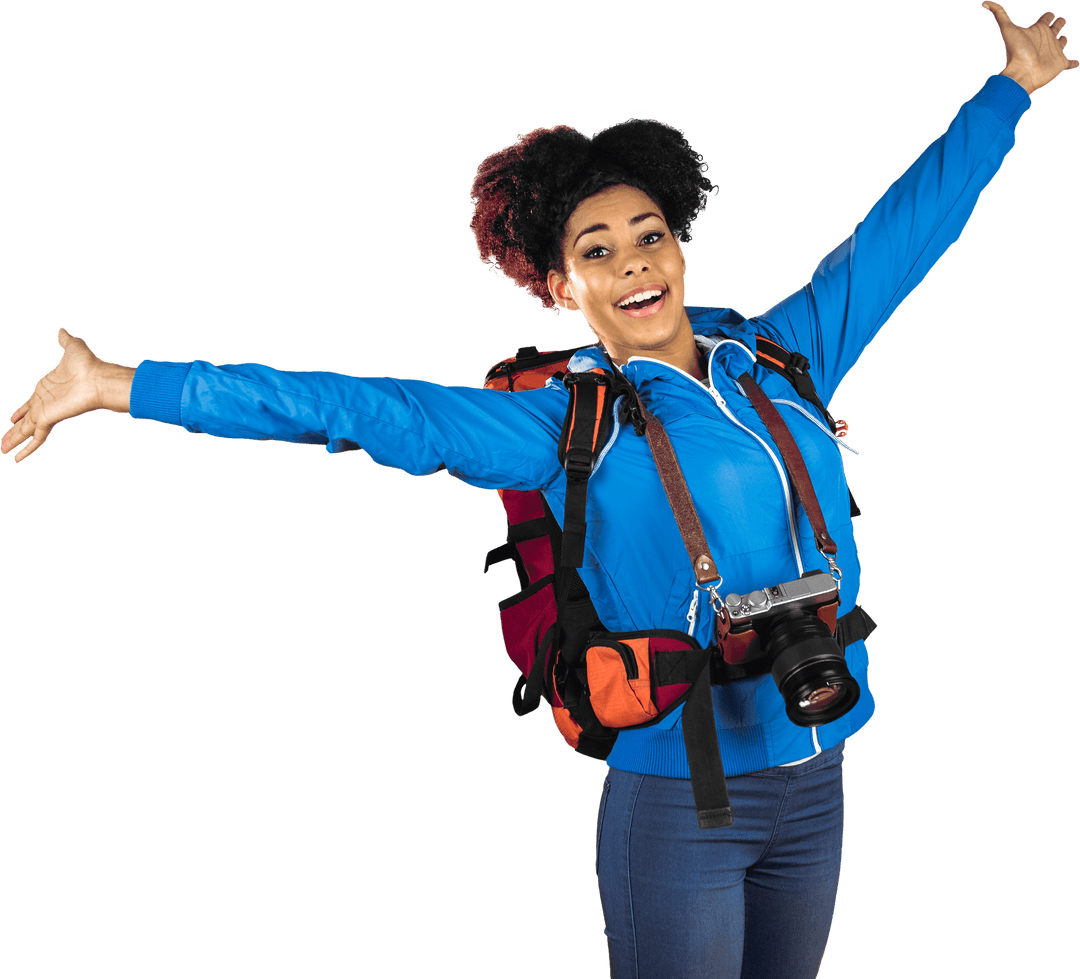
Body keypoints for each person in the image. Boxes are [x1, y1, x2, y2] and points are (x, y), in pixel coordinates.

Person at [4, 5, 1074, 977]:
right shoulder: (568, 419)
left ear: (680, 245)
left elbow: (907, 230)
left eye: (650, 235)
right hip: (680, 798)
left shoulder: (785, 359)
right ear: (563, 287)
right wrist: (121, 384)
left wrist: (1011, 87)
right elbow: (360, 411)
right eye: (598, 250)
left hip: (818, 770)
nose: (635, 264)